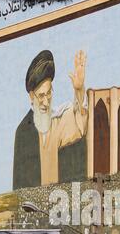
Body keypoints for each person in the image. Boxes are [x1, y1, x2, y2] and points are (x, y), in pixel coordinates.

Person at [13, 49, 88, 190]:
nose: (46, 102)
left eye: (48, 94)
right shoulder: (23, 131)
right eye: (41, 96)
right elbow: (19, 184)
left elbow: (80, 125)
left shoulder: (56, 121)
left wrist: (79, 89)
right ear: (31, 96)